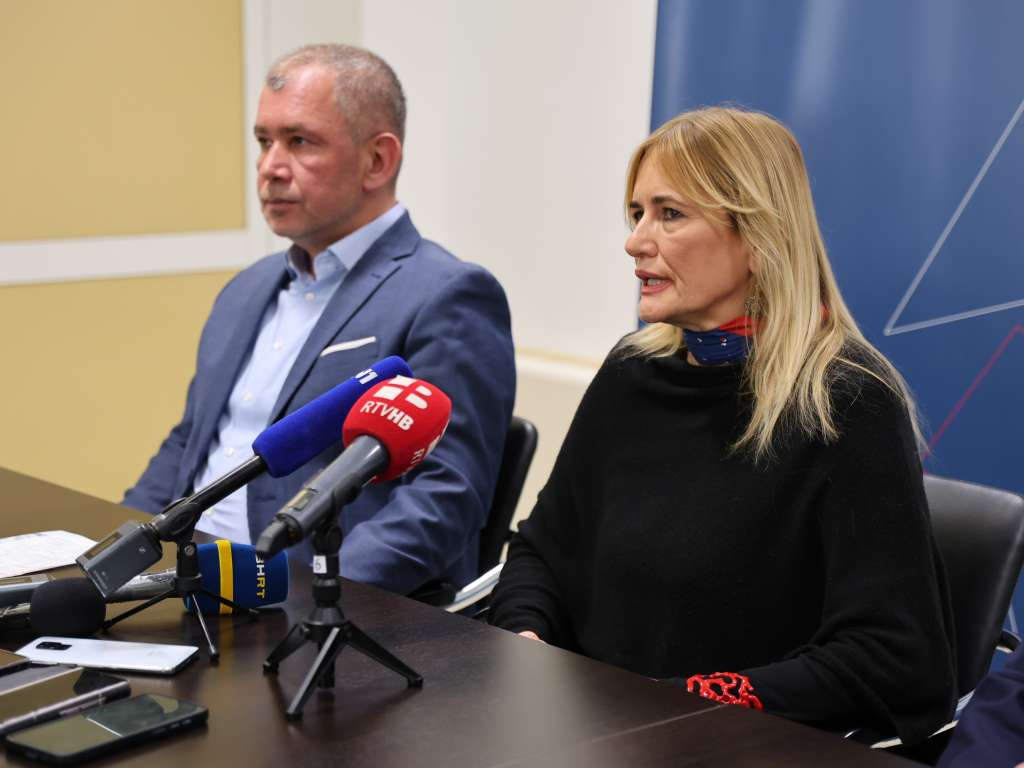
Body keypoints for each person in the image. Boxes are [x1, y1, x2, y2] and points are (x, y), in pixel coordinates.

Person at [489, 106, 956, 743]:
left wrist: (680, 706)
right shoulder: (632, 371)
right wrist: (526, 639)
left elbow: (892, 657)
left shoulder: (845, 402)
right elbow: (543, 551)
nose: (635, 241)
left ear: (759, 239)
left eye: (670, 214)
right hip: (592, 734)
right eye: (636, 212)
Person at [123, 44, 515, 596]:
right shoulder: (246, 289)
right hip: (188, 584)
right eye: (264, 142)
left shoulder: (448, 295)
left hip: (309, 603)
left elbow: (444, 497)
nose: (270, 167)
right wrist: (117, 551)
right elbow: (188, 444)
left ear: (377, 161)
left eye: (300, 142)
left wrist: (303, 596)